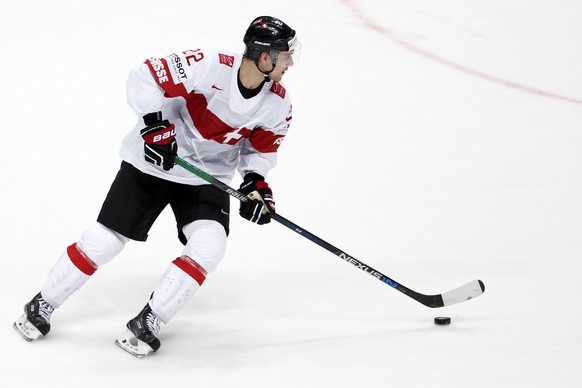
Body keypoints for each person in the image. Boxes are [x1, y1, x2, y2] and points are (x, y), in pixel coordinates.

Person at [13, 15, 300, 358]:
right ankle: (42, 303)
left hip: (207, 176)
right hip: (156, 161)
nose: (291, 62)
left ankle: (148, 322)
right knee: (105, 241)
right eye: (285, 56)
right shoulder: (210, 65)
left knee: (210, 244)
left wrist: (255, 184)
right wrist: (154, 127)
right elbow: (145, 76)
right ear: (265, 58)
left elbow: (260, 151)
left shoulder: (278, 103)